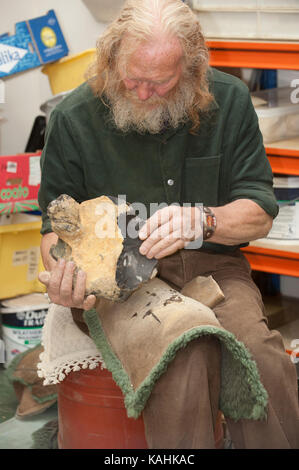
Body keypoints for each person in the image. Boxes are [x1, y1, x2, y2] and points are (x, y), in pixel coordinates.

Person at [38, 0, 299, 449]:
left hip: (212, 268)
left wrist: (204, 220)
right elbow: (53, 231)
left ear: (193, 67)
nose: (141, 93)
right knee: (185, 350)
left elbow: (259, 209)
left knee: (262, 357)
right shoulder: (73, 118)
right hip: (118, 285)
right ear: (112, 57)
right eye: (131, 78)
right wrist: (63, 279)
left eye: (160, 83)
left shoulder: (228, 100)